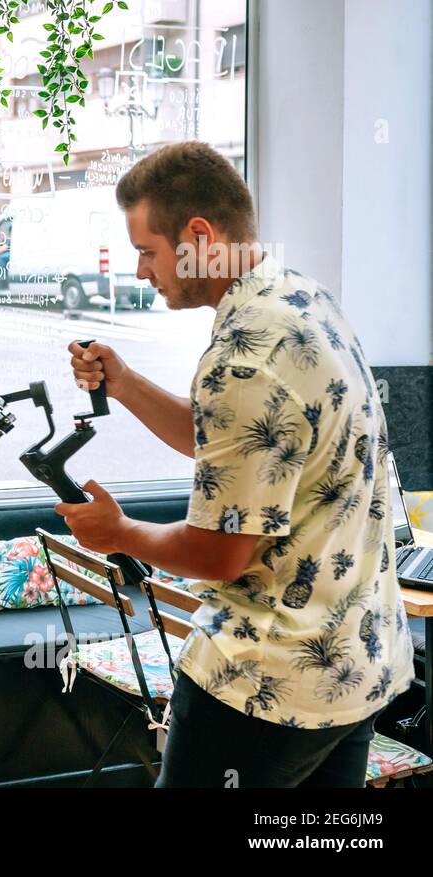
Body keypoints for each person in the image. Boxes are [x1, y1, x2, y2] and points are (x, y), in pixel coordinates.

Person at [57, 141, 414, 787]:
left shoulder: (243, 360)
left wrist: (118, 533)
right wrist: (127, 381)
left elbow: (223, 553)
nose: (141, 271)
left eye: (147, 251)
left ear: (197, 235)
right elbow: (232, 450)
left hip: (263, 683)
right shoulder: (303, 302)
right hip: (356, 666)